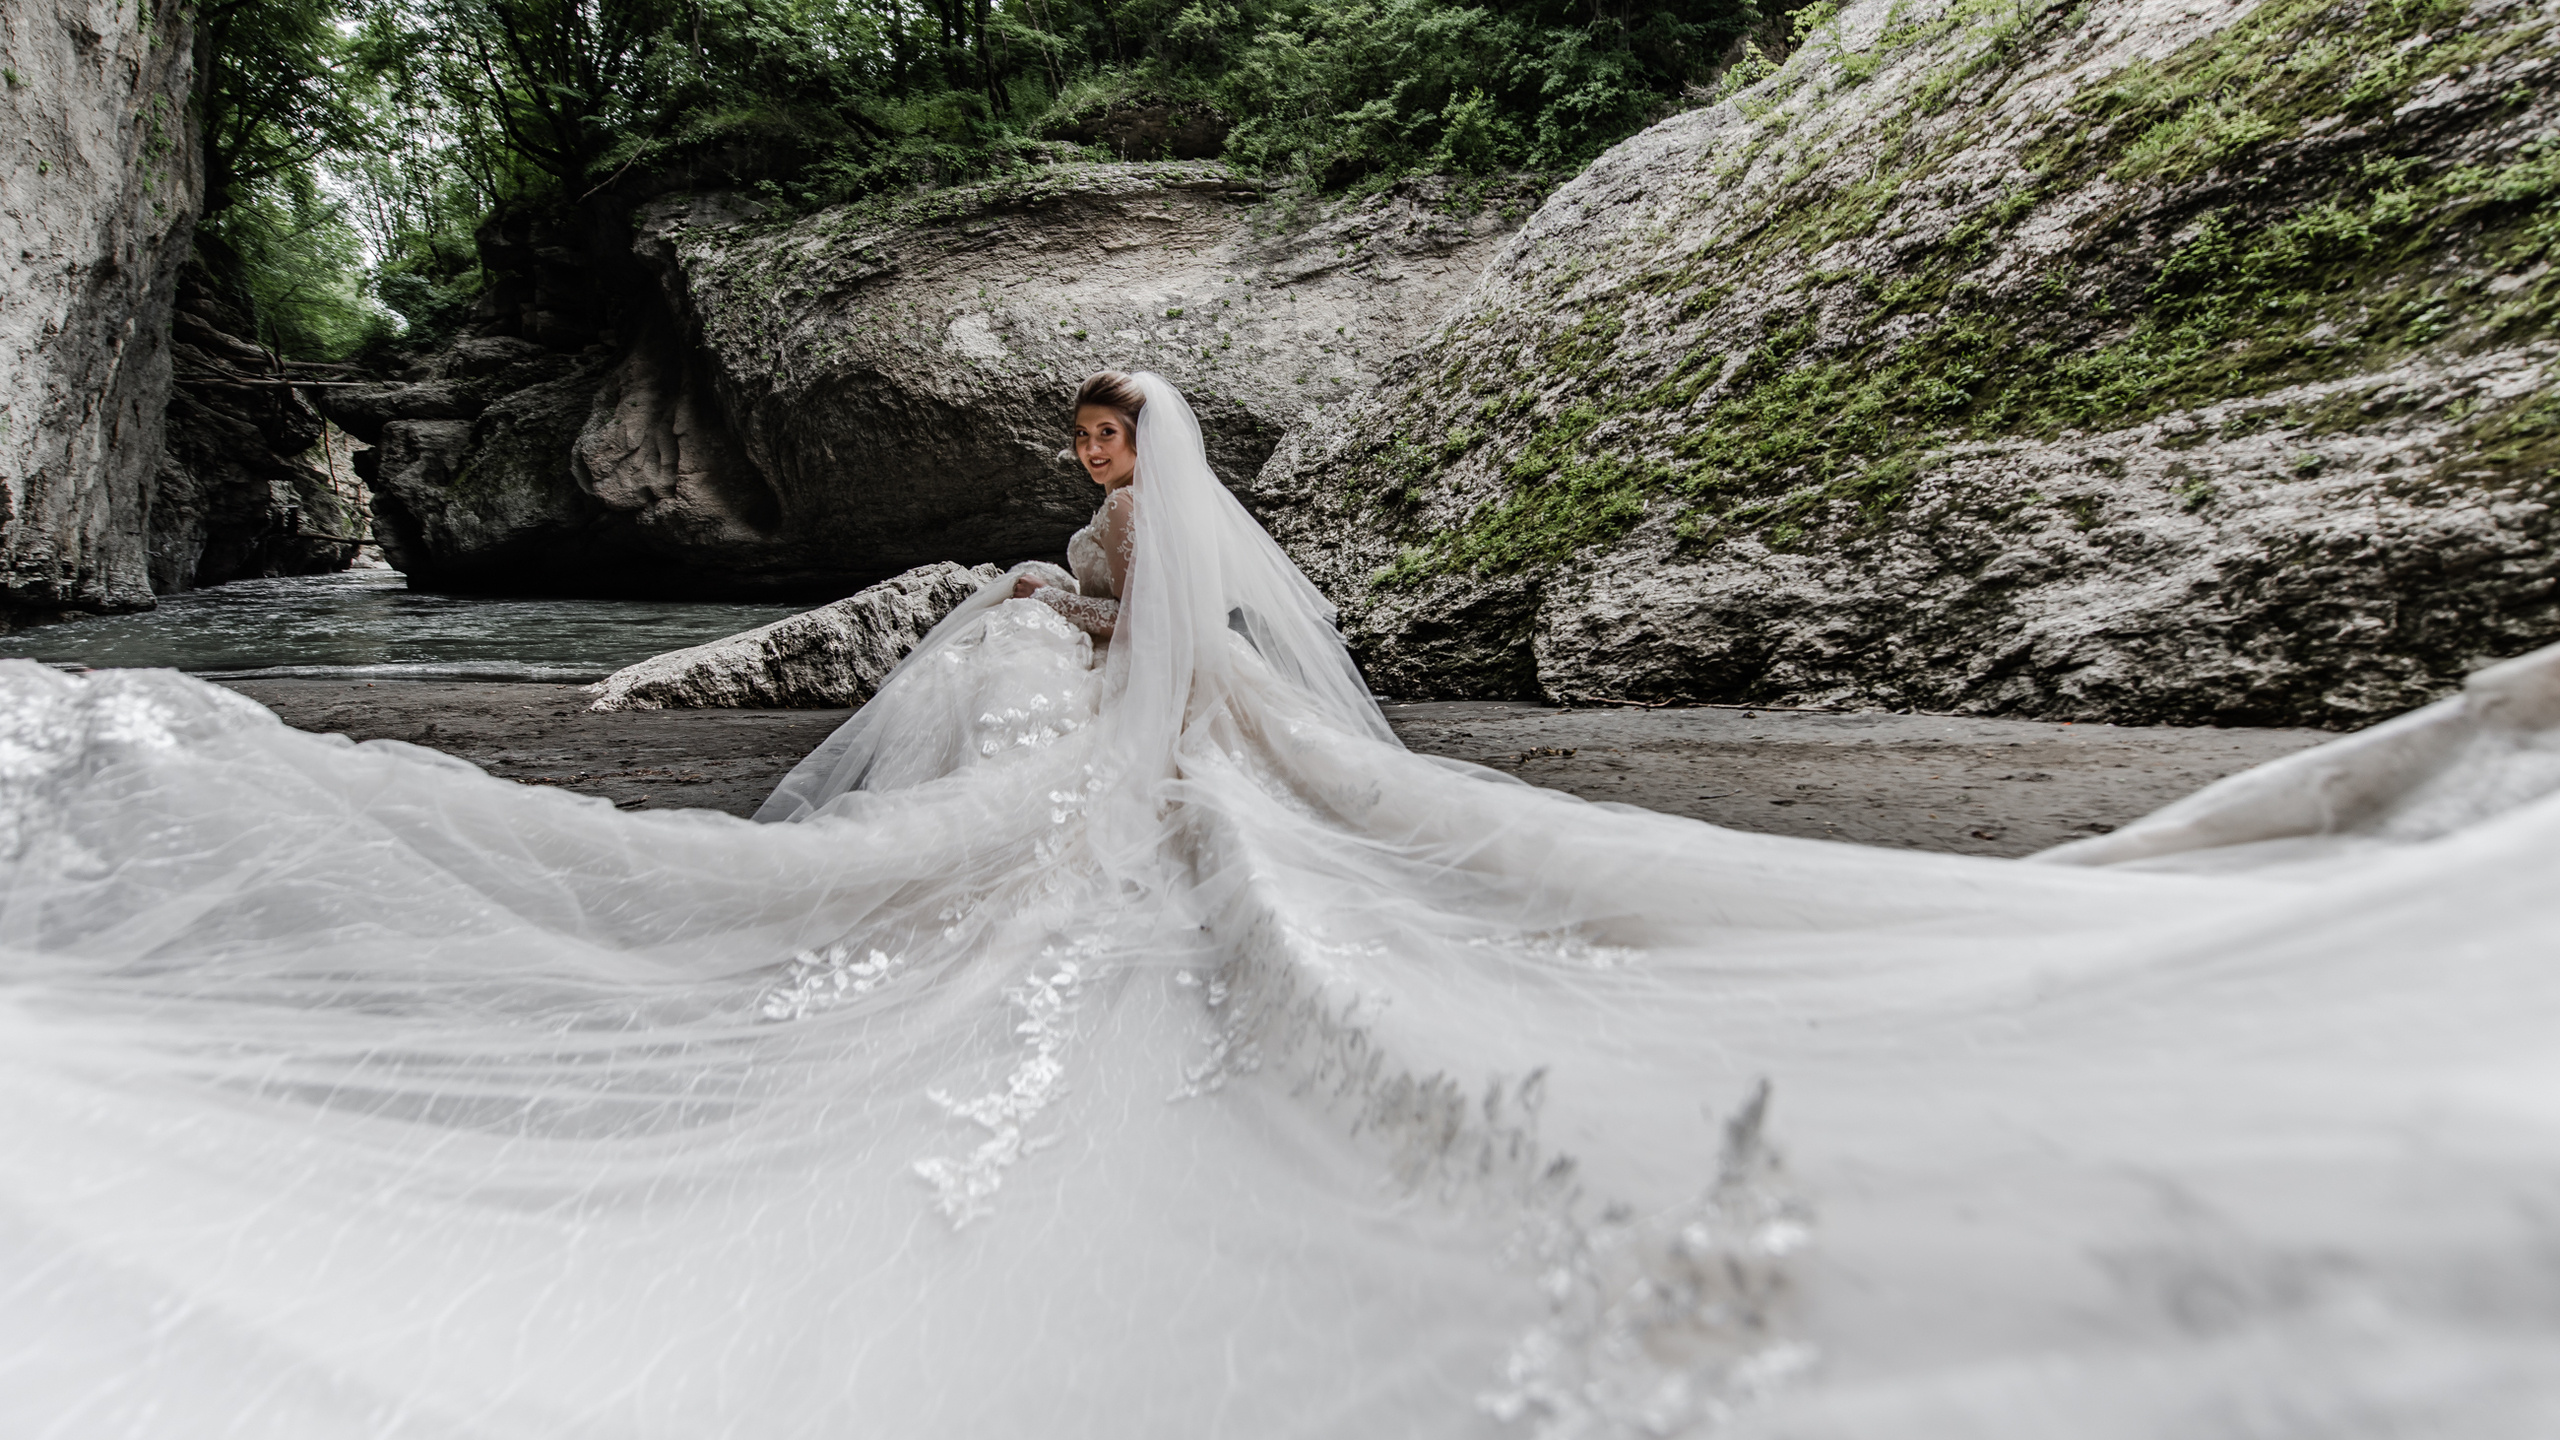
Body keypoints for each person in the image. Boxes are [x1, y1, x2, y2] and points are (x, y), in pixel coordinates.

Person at [0, 370, 2555, 1438]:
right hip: (1157, 712)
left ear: (1138, 444)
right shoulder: (1153, 526)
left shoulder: (1146, 538)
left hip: (1160, 745)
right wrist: (1052, 610)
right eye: (1087, 440)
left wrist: (1057, 632)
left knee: (1080, 791)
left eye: (1097, 435)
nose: (1086, 454)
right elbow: (1149, 618)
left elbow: (1153, 645)